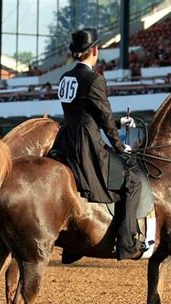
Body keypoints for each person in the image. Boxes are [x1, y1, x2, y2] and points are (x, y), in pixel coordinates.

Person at [49, 28, 146, 260]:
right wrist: (121, 147)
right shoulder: (94, 79)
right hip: (87, 143)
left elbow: (83, 112)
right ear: (95, 50)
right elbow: (103, 120)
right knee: (132, 182)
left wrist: (119, 121)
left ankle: (72, 247)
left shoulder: (65, 78)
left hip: (65, 139)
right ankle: (127, 242)